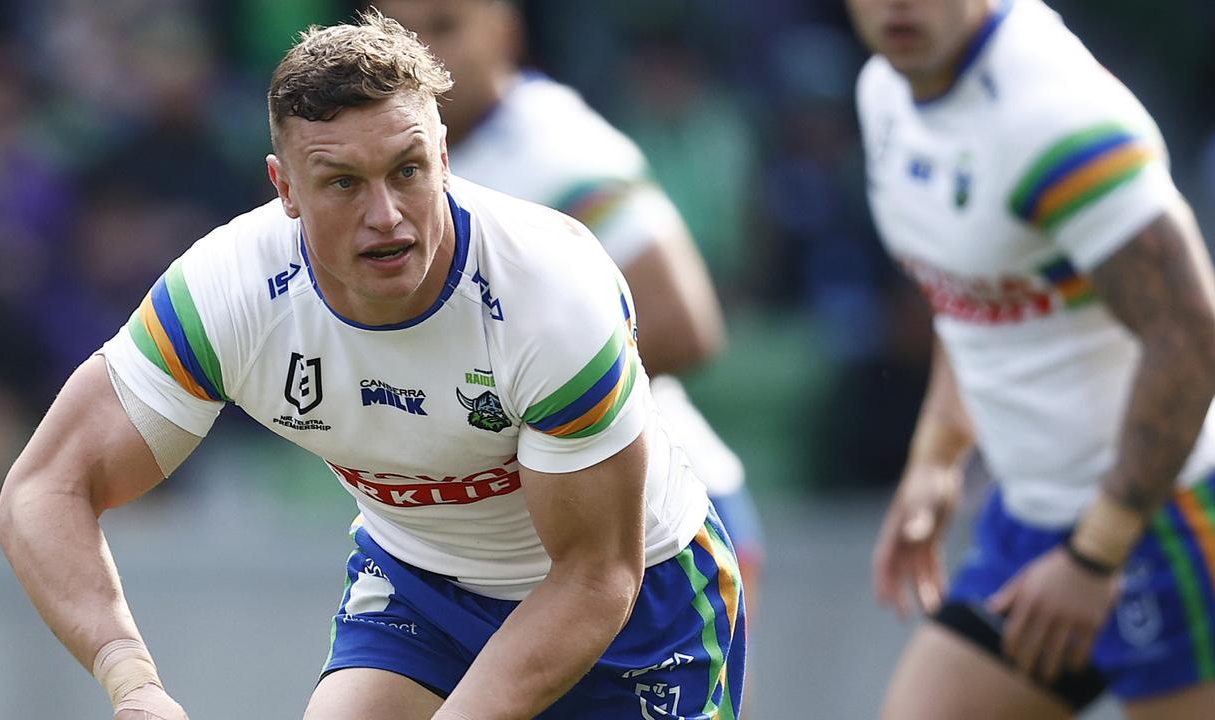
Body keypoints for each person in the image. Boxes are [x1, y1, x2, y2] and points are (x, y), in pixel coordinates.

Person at [0, 11, 744, 720]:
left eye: (408, 171)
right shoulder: (230, 290)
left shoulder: (548, 292)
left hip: (638, 608)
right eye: (343, 183)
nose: (385, 215)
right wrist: (133, 682)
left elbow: (594, 578)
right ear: (283, 188)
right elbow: (45, 487)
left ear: (443, 157)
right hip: (422, 590)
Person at [850, 0, 1215, 718]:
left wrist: (1096, 554)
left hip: (1172, 522)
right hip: (1031, 520)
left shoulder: (1055, 117)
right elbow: (967, 283)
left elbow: (1192, 337)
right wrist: (936, 454)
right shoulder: (884, 91)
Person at [369, 0, 765, 619]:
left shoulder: (556, 148)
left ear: (504, 29)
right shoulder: (398, 163)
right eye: (398, 31)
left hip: (660, 524)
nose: (416, 53)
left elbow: (684, 325)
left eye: (445, 26)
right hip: (532, 539)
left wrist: (502, 406)